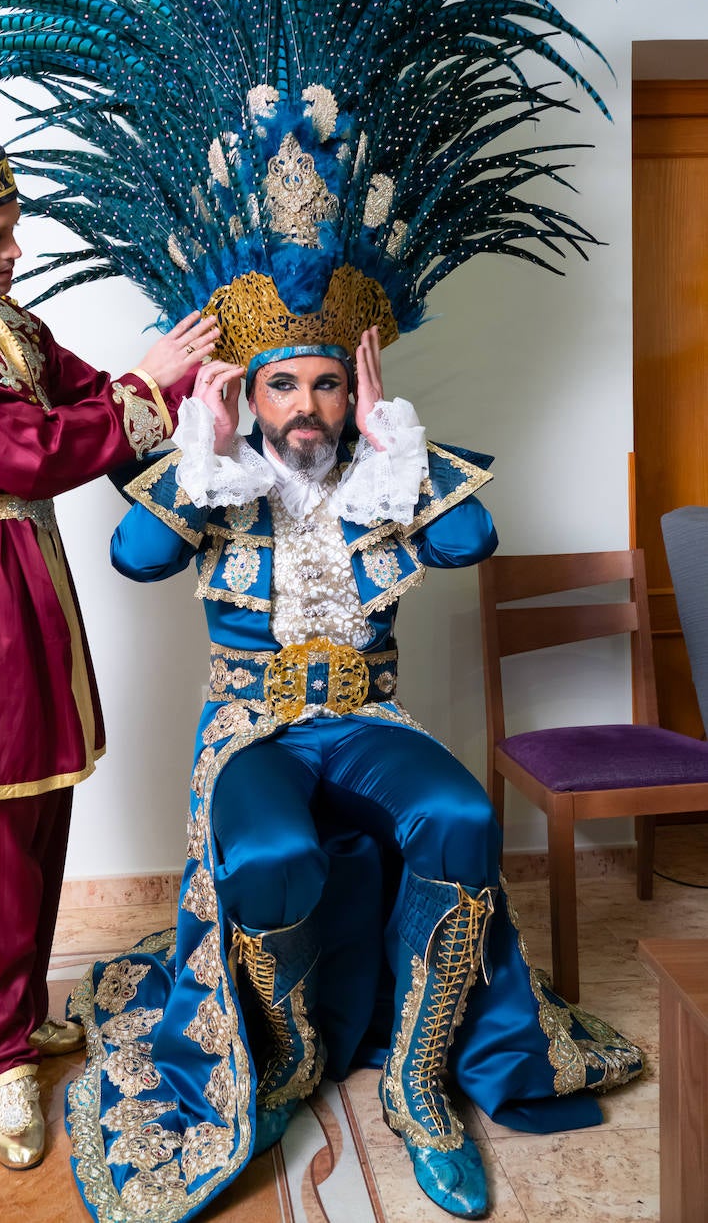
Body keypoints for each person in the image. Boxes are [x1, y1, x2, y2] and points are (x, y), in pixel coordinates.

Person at [62, 325, 642, 1222]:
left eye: (328, 385)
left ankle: (418, 1081)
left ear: (352, 393)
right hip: (253, 728)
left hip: (367, 719)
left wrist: (390, 433)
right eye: (283, 385)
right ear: (251, 396)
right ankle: (287, 1064)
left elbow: (470, 539)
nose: (306, 406)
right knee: (267, 855)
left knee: (459, 813)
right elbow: (138, 558)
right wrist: (201, 446)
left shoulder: (381, 470)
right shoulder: (221, 474)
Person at [0, 135, 219, 1170]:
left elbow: (89, 396)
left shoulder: (7, 324)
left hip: (31, 573)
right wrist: (148, 390)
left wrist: (196, 383)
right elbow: (28, 450)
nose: (13, 251)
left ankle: (18, 1019)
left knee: (38, 806)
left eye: (13, 229)